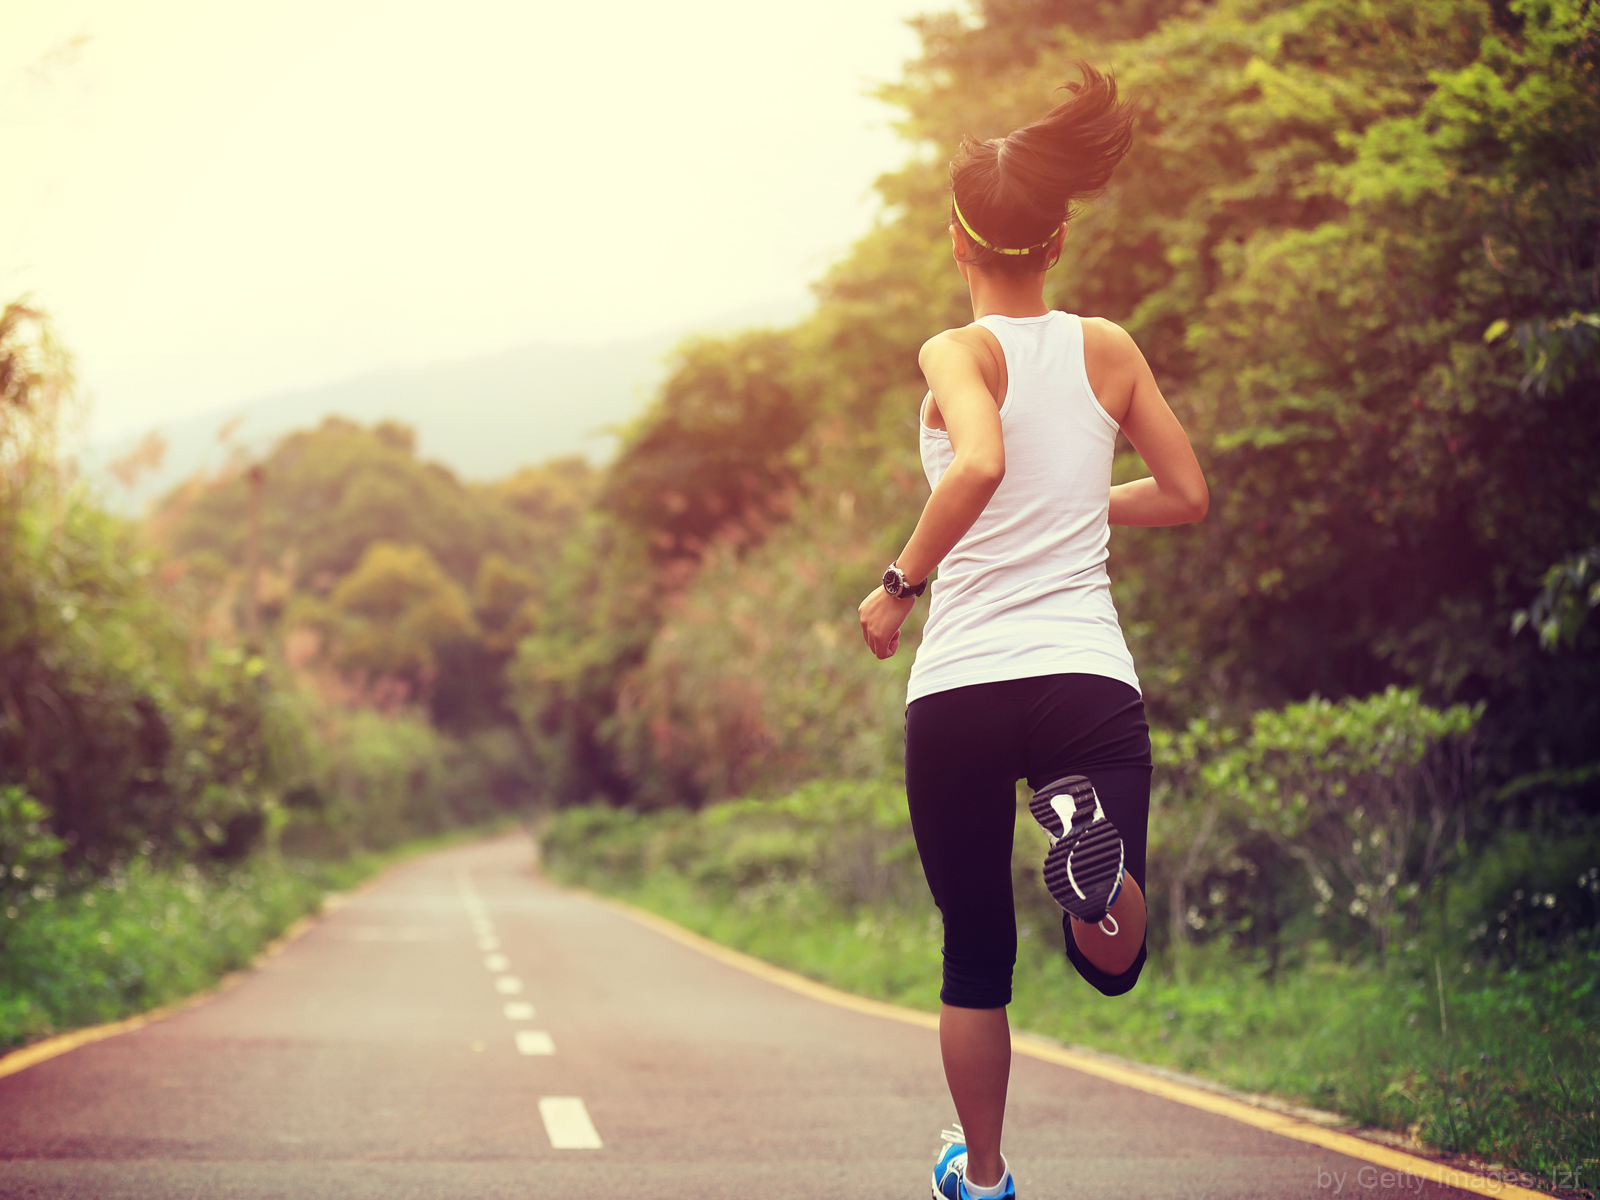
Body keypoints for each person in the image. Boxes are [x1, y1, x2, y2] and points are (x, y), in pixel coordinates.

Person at [857, 64, 1209, 1200]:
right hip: (1083, 678)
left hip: (960, 685)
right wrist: (1083, 506)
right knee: (1110, 964)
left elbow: (980, 461)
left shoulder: (955, 354)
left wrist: (898, 584)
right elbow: (1186, 493)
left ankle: (988, 1176)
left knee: (975, 960)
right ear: (1056, 239)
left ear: (957, 246)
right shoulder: (1107, 347)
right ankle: (1094, 887)